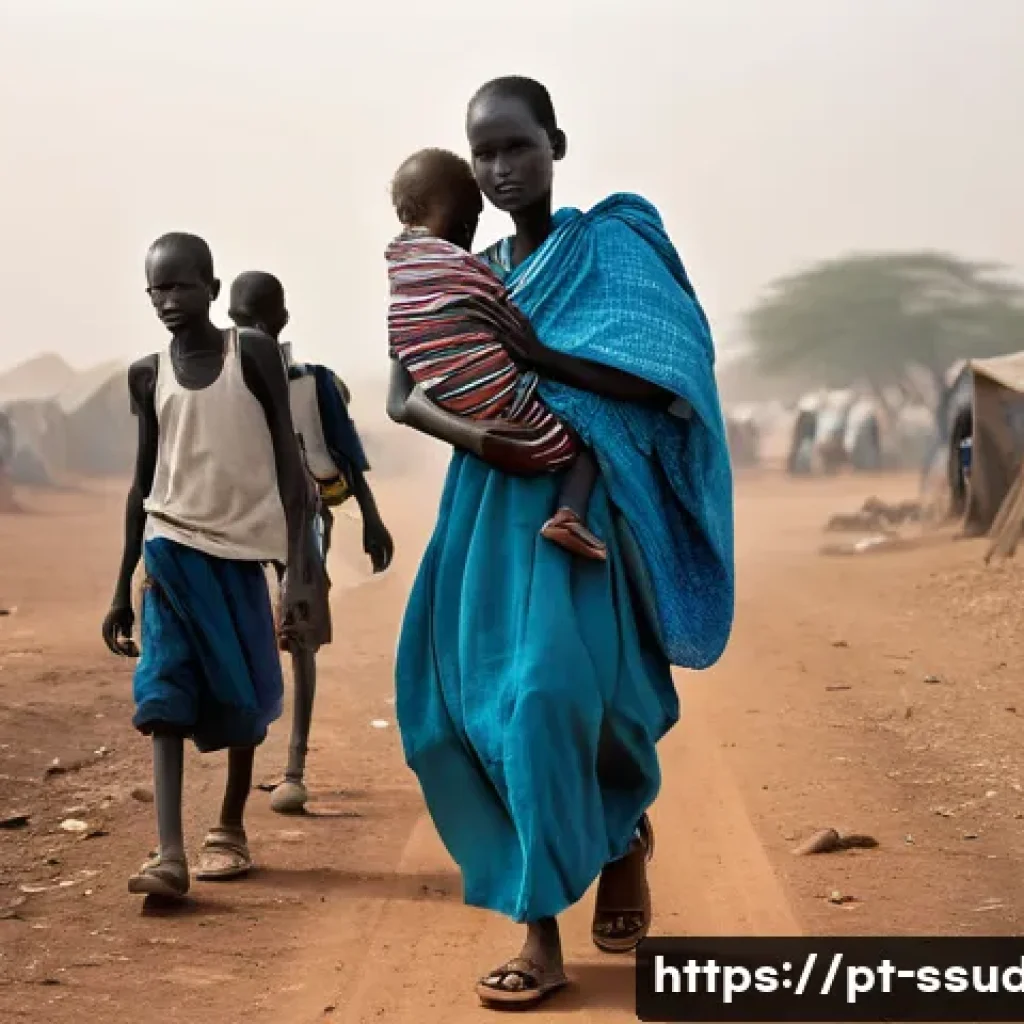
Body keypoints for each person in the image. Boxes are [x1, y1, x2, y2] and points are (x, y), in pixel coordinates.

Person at [388, 77, 734, 1007]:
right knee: (493, 713)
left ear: (557, 145)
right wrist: (481, 438)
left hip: (590, 514)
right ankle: (538, 932)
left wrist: (541, 360)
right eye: (484, 154)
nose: (500, 169)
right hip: (489, 509)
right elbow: (403, 390)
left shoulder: (611, 248)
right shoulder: (467, 264)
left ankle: (622, 840)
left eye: (518, 147)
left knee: (595, 703)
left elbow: (669, 381)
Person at [101, 233, 325, 899]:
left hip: (239, 555)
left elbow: (290, 467)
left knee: (245, 691)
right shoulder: (147, 373)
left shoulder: (249, 354)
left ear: (212, 289)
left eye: (180, 286)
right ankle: (169, 854)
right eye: (156, 290)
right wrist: (119, 587)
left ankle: (228, 828)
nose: (168, 301)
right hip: (169, 550)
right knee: (163, 694)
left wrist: (299, 572)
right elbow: (143, 485)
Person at [227, 270, 394, 814]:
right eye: (238, 320)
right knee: (246, 634)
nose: (247, 330)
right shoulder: (223, 382)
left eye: (256, 320)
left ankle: (294, 766)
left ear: (280, 321)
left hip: (302, 523)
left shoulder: (310, 382)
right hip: (239, 526)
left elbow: (345, 450)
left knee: (298, 635)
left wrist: (371, 518)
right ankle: (249, 762)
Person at [387, 147, 605, 560]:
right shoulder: (473, 274)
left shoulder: (403, 288)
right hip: (496, 461)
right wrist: (474, 436)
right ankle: (570, 513)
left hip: (486, 455)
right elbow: (398, 402)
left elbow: (401, 402)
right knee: (596, 426)